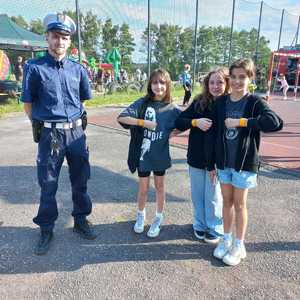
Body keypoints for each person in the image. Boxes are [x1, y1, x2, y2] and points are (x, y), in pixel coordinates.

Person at [21, 13, 96, 255]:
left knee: (81, 179)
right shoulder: (34, 68)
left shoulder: (78, 69)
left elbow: (83, 100)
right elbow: (28, 103)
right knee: (48, 183)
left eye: (64, 37)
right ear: (47, 38)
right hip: (50, 135)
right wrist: (40, 126)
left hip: (76, 133)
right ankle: (45, 228)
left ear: (69, 41)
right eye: (55, 36)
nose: (59, 41)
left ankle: (81, 219)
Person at [212, 58, 283, 266]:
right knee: (226, 202)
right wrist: (212, 162)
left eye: (242, 77)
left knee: (240, 203)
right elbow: (216, 132)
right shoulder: (221, 102)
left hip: (244, 163)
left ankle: (239, 244)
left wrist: (242, 122)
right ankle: (225, 239)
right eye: (233, 77)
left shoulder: (254, 102)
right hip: (224, 162)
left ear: (249, 78)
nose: (236, 81)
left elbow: (275, 122)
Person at [117, 69, 181, 238]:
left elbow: (185, 122)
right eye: (154, 82)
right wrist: (143, 122)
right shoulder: (142, 103)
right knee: (143, 188)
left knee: (160, 187)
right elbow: (122, 118)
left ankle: (158, 217)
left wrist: (174, 133)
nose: (158, 86)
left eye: (162, 83)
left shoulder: (172, 108)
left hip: (160, 155)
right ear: (150, 84)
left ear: (167, 85)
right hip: (143, 156)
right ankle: (140, 215)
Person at [175, 68, 229, 244]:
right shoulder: (199, 102)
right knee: (198, 194)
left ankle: (215, 227)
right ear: (207, 84)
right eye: (212, 82)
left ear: (227, 83)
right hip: (196, 157)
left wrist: (214, 164)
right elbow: (180, 121)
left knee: (213, 196)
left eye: (220, 82)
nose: (215, 86)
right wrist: (195, 122)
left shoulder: (229, 104)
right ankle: (199, 224)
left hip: (216, 160)